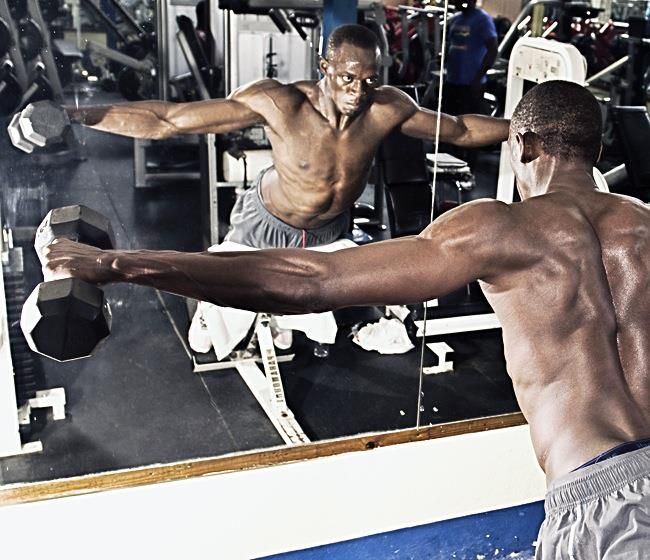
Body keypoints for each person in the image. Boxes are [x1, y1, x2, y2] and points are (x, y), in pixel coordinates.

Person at [43, 81, 650, 557]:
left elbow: (314, 281)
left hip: (598, 494)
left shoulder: (502, 227)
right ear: (595, 152)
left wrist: (118, 262)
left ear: (523, 146)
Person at [10, 24, 508, 250]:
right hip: (265, 223)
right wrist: (74, 114)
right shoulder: (280, 103)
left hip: (332, 230)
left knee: (318, 321)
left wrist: (527, 129)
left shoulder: (387, 108)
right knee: (226, 319)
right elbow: (168, 120)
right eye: (347, 78)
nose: (358, 91)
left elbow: (460, 129)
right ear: (324, 69)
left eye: (369, 79)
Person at [444, 0, 498, 117]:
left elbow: (493, 50)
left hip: (471, 84)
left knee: (468, 125)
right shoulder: (455, 19)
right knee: (448, 121)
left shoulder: (483, 20)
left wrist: (478, 78)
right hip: (452, 81)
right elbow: (451, 45)